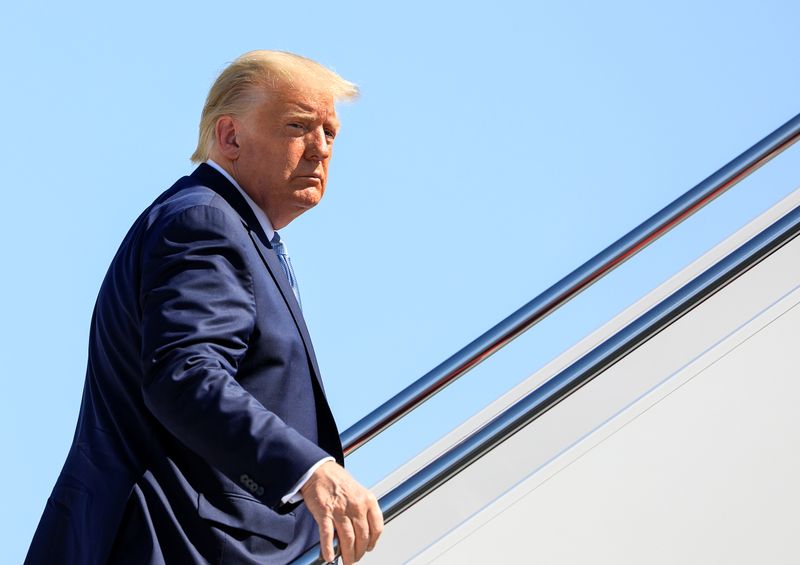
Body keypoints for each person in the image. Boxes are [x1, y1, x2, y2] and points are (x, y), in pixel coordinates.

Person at [25, 50, 383, 565]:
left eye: (330, 133)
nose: (320, 149)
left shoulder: (233, 228)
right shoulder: (204, 223)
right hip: (170, 545)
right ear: (230, 136)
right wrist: (309, 470)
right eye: (298, 126)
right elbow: (186, 376)